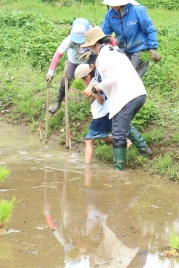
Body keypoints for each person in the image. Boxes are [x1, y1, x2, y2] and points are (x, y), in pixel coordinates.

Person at [81, 27, 152, 171]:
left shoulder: (103, 57)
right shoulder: (116, 51)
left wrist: (94, 89)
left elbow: (112, 79)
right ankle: (145, 150)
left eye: (89, 46)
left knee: (119, 134)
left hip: (125, 97)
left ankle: (117, 172)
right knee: (123, 124)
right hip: (139, 94)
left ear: (94, 44)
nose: (89, 49)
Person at [46, 18, 97, 115]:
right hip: (75, 59)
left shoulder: (93, 33)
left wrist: (90, 52)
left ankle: (94, 100)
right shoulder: (69, 40)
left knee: (93, 76)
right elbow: (57, 54)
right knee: (67, 78)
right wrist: (50, 72)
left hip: (90, 57)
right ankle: (58, 101)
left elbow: (102, 45)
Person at [100, 0, 161, 78]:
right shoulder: (110, 14)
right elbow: (102, 33)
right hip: (123, 50)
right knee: (120, 75)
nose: (114, 6)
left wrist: (152, 48)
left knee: (130, 76)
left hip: (139, 49)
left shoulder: (137, 10)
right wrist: (91, 50)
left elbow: (149, 29)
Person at [74, 64, 113, 164]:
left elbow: (101, 101)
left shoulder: (95, 85)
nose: (82, 83)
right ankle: (123, 140)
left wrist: (94, 92)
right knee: (102, 136)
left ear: (87, 77)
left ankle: (87, 168)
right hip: (102, 114)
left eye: (82, 80)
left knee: (89, 140)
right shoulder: (93, 83)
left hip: (102, 115)